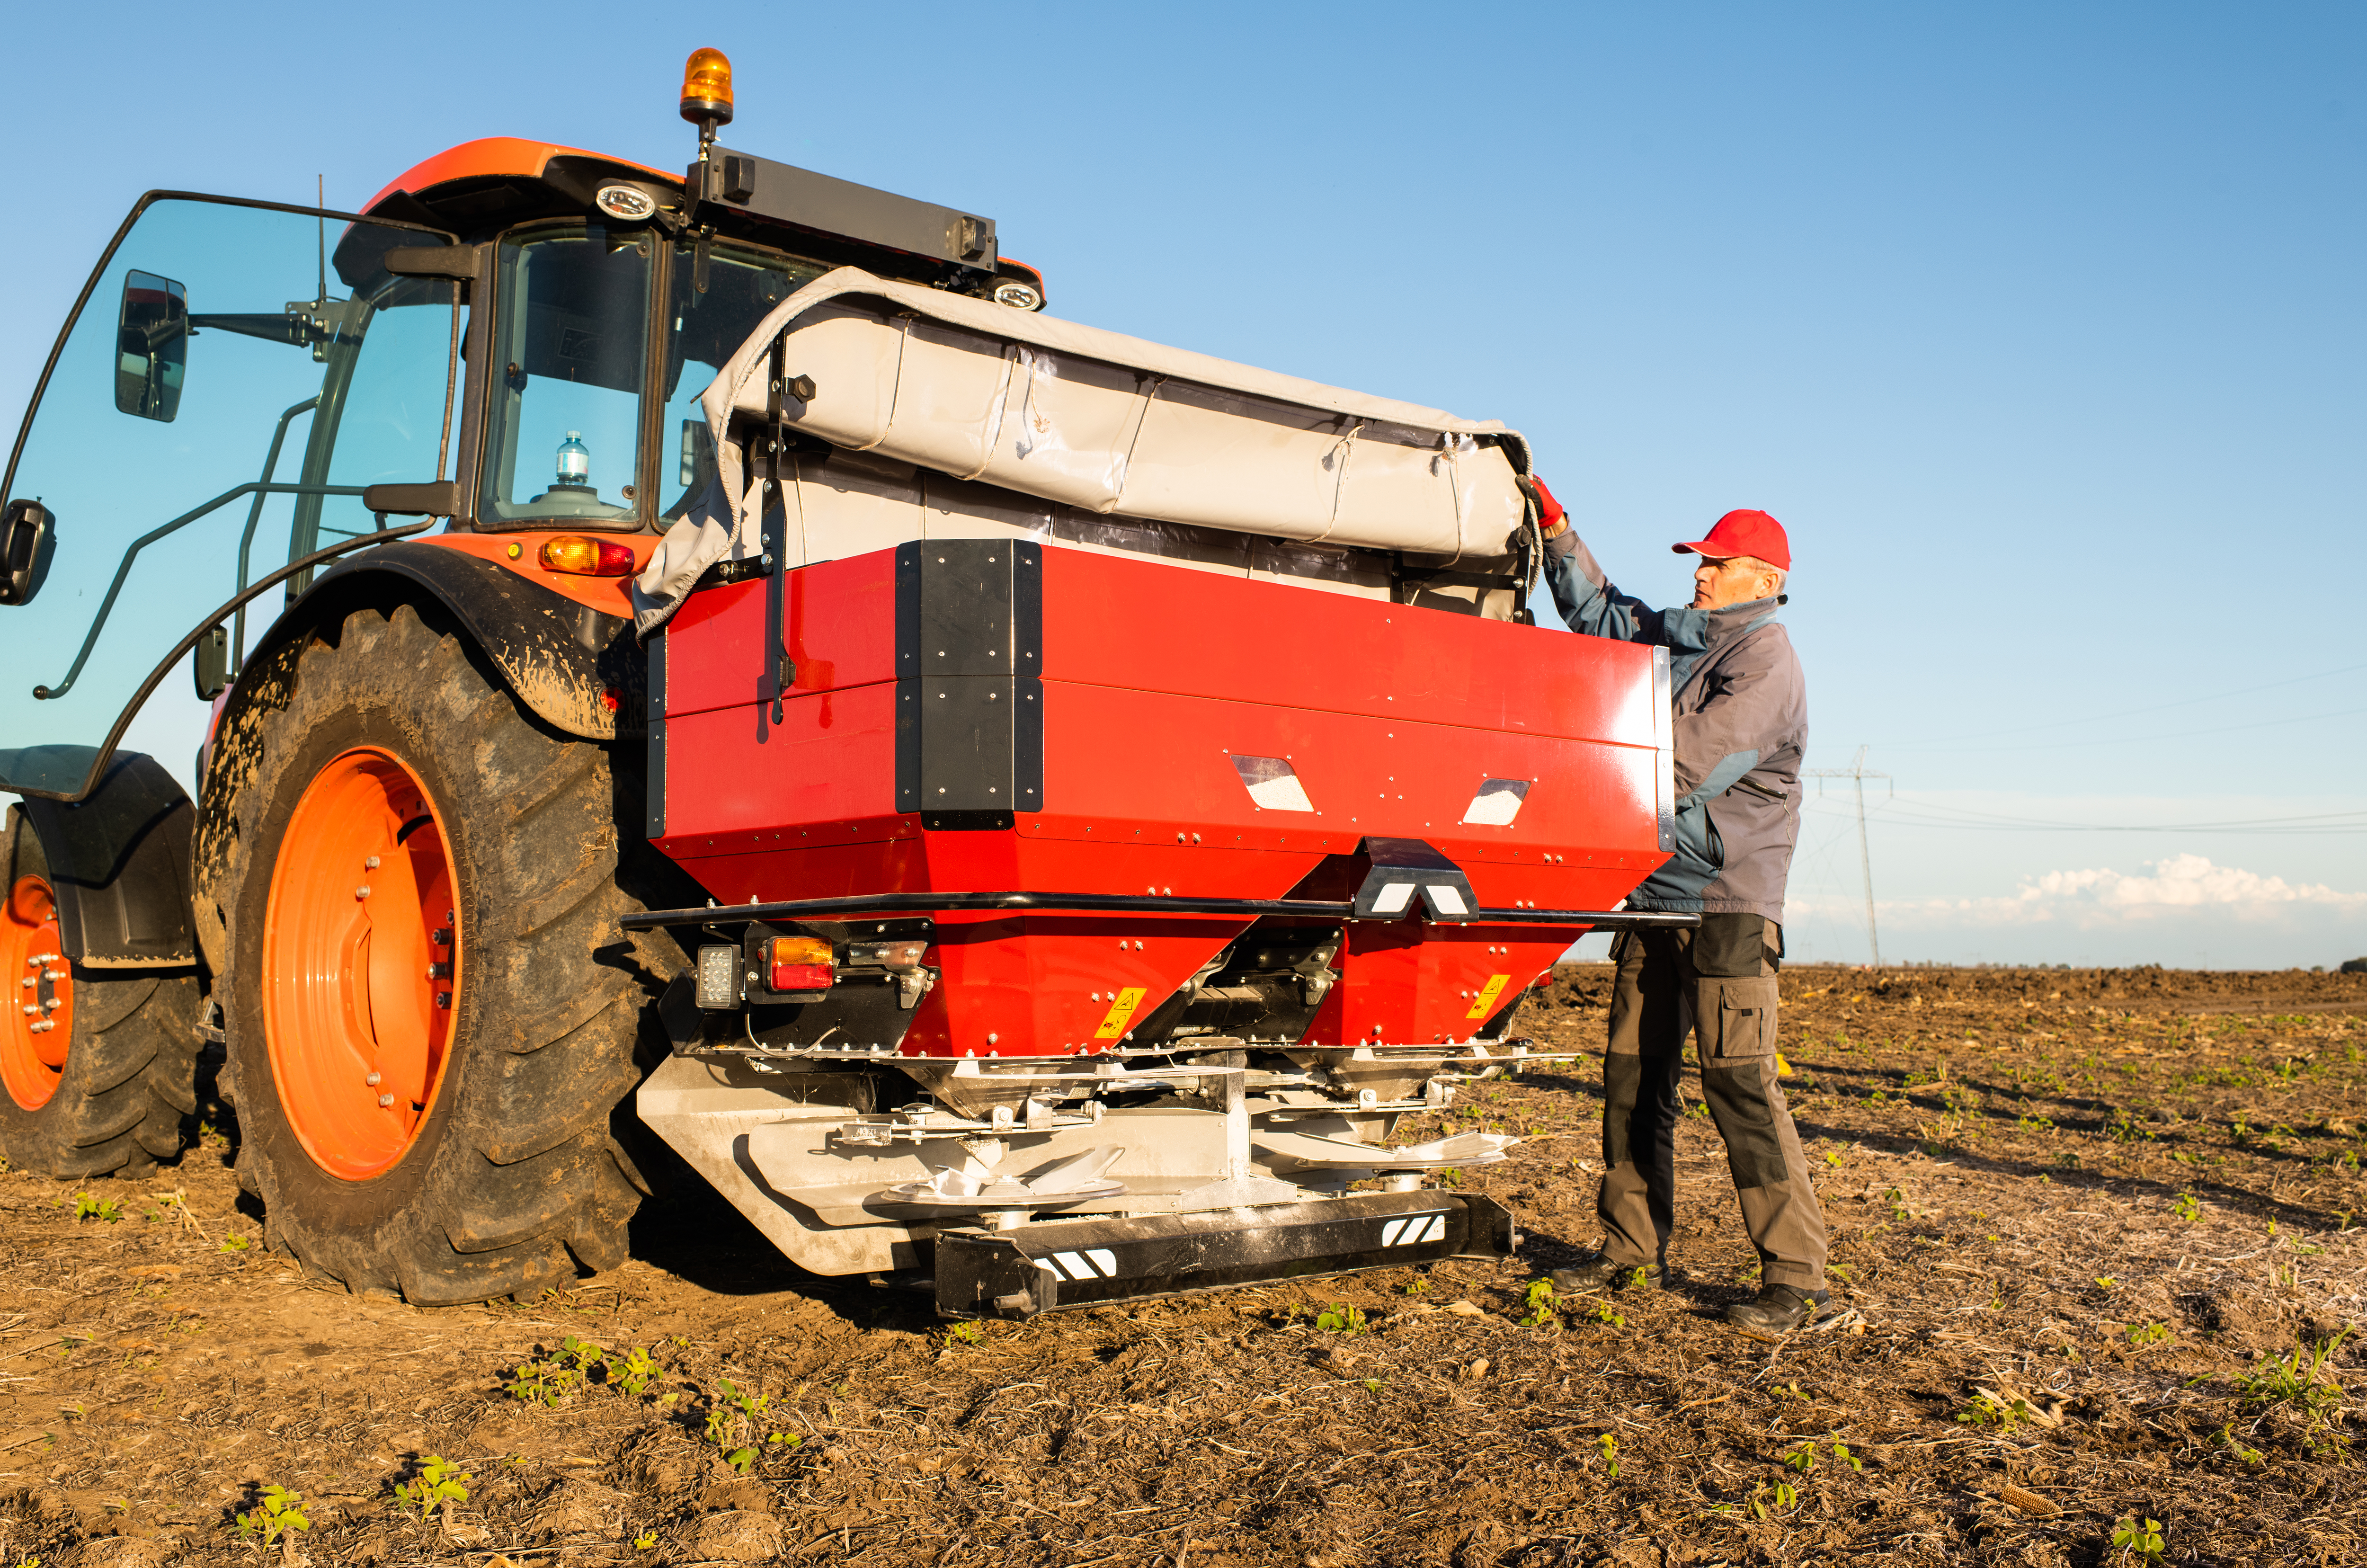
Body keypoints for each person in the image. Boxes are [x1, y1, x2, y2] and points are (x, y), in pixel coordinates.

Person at [1531, 480, 1829, 1339]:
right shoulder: (1687, 642)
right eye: (1699, 562)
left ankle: (1798, 1280)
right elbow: (1605, 619)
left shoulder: (1767, 666)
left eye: (1717, 563)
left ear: (1764, 576)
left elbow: (1680, 766)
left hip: (1729, 904)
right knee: (1632, 1079)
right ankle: (1630, 1253)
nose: (1701, 574)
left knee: (1738, 1083)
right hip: (1656, 900)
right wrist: (1558, 534)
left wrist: (1549, 817)